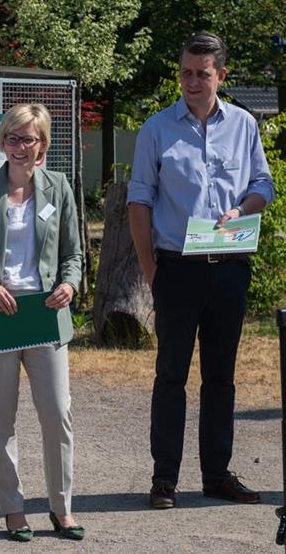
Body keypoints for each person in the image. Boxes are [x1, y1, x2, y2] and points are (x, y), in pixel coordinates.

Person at [127, 31, 275, 510]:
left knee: (221, 377)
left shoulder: (245, 125)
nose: (192, 81)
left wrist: (244, 209)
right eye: (186, 72)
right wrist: (151, 269)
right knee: (171, 376)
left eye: (202, 74)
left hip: (230, 266)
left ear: (221, 76)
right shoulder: (156, 128)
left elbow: (262, 185)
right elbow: (139, 200)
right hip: (176, 269)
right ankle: (164, 478)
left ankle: (216, 475)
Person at [0, 103, 84, 542]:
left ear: (42, 144)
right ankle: (13, 509)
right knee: (1, 419)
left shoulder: (59, 187)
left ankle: (62, 509)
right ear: (2, 142)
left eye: (28, 139)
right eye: (11, 137)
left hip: (44, 314)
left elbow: (73, 255)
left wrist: (70, 283)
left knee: (57, 415)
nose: (19, 146)